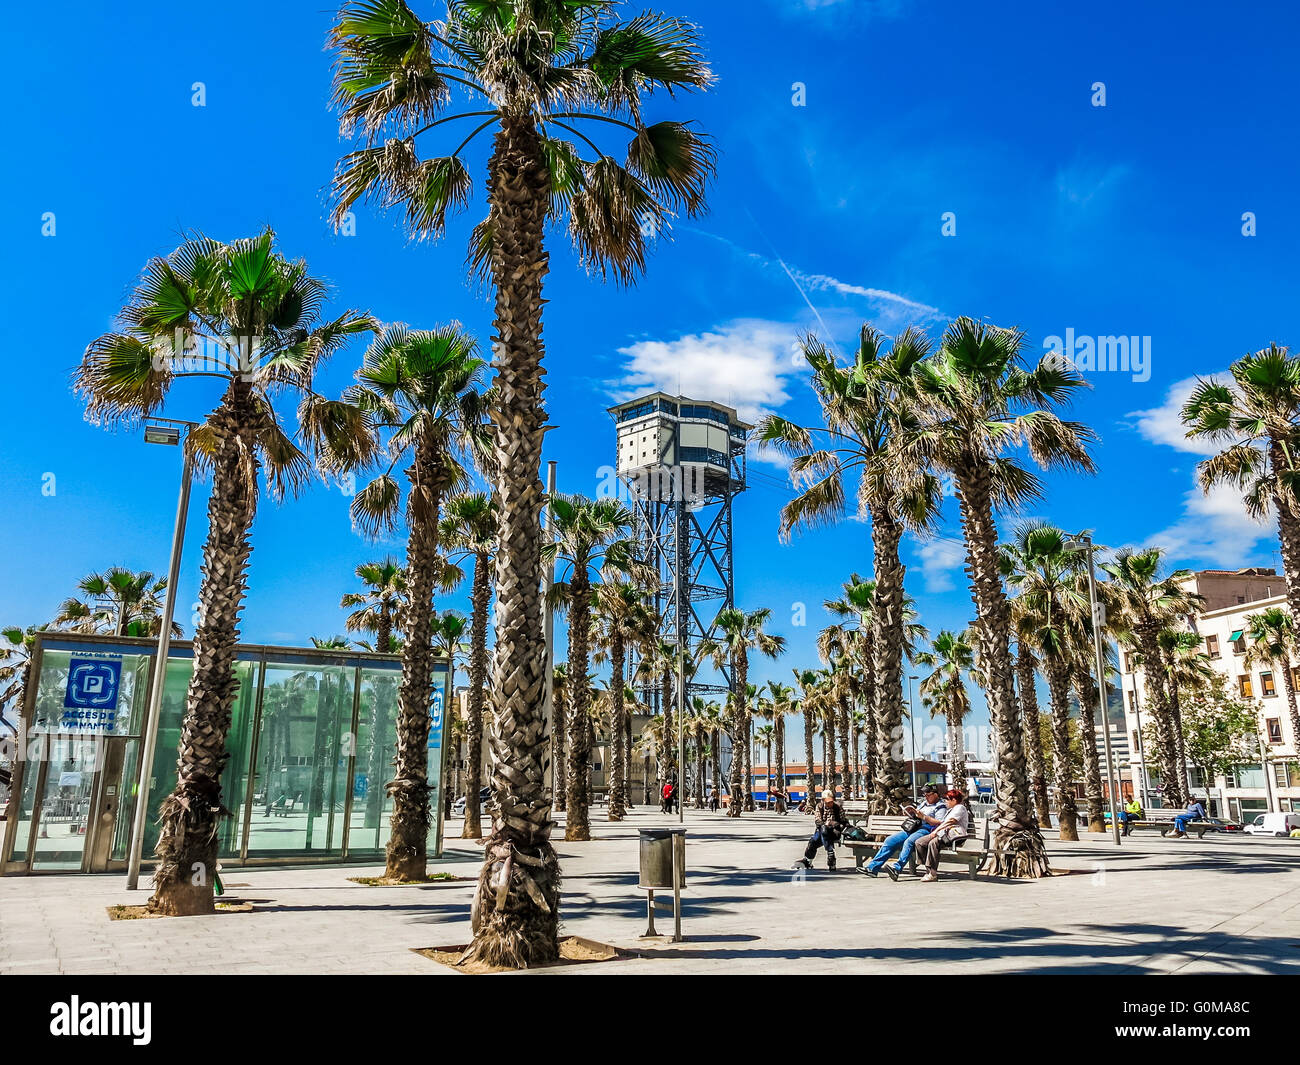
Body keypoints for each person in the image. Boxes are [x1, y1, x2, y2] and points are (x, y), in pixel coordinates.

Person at [861, 783, 949, 879]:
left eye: (928, 795)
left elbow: (939, 822)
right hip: (914, 828)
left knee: (909, 842)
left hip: (926, 830)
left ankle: (896, 869)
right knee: (890, 840)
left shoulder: (941, 806)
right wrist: (910, 812)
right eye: (924, 794)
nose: (926, 797)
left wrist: (924, 817)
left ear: (935, 794)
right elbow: (916, 815)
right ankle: (872, 868)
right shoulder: (924, 803)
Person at [912, 789, 970, 882]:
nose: (945, 801)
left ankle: (932, 873)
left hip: (955, 837)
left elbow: (951, 822)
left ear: (954, 800)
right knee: (920, 842)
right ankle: (928, 868)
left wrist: (936, 831)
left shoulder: (960, 808)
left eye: (947, 799)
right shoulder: (950, 810)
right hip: (944, 835)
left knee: (933, 843)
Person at [794, 790, 847, 871]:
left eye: (831, 802)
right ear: (823, 800)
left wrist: (832, 823)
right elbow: (818, 821)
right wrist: (825, 824)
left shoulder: (837, 806)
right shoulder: (819, 806)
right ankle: (830, 855)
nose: (830, 804)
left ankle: (808, 861)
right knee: (820, 832)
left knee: (814, 839)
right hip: (823, 831)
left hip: (834, 832)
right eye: (827, 802)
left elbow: (843, 822)